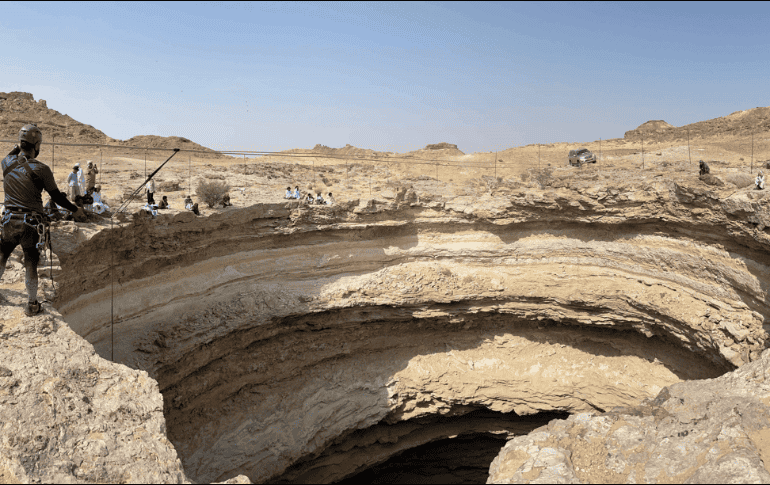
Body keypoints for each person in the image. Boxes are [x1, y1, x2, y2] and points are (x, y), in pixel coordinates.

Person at [1, 124, 86, 316]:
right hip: (30, 223)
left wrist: (17, 148)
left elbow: (11, 153)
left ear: (20, 143)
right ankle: (32, 304)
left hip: (8, 220)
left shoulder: (6, 162)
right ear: (37, 145)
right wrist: (75, 210)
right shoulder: (42, 169)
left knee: (2, 255)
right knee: (30, 262)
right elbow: (56, 197)